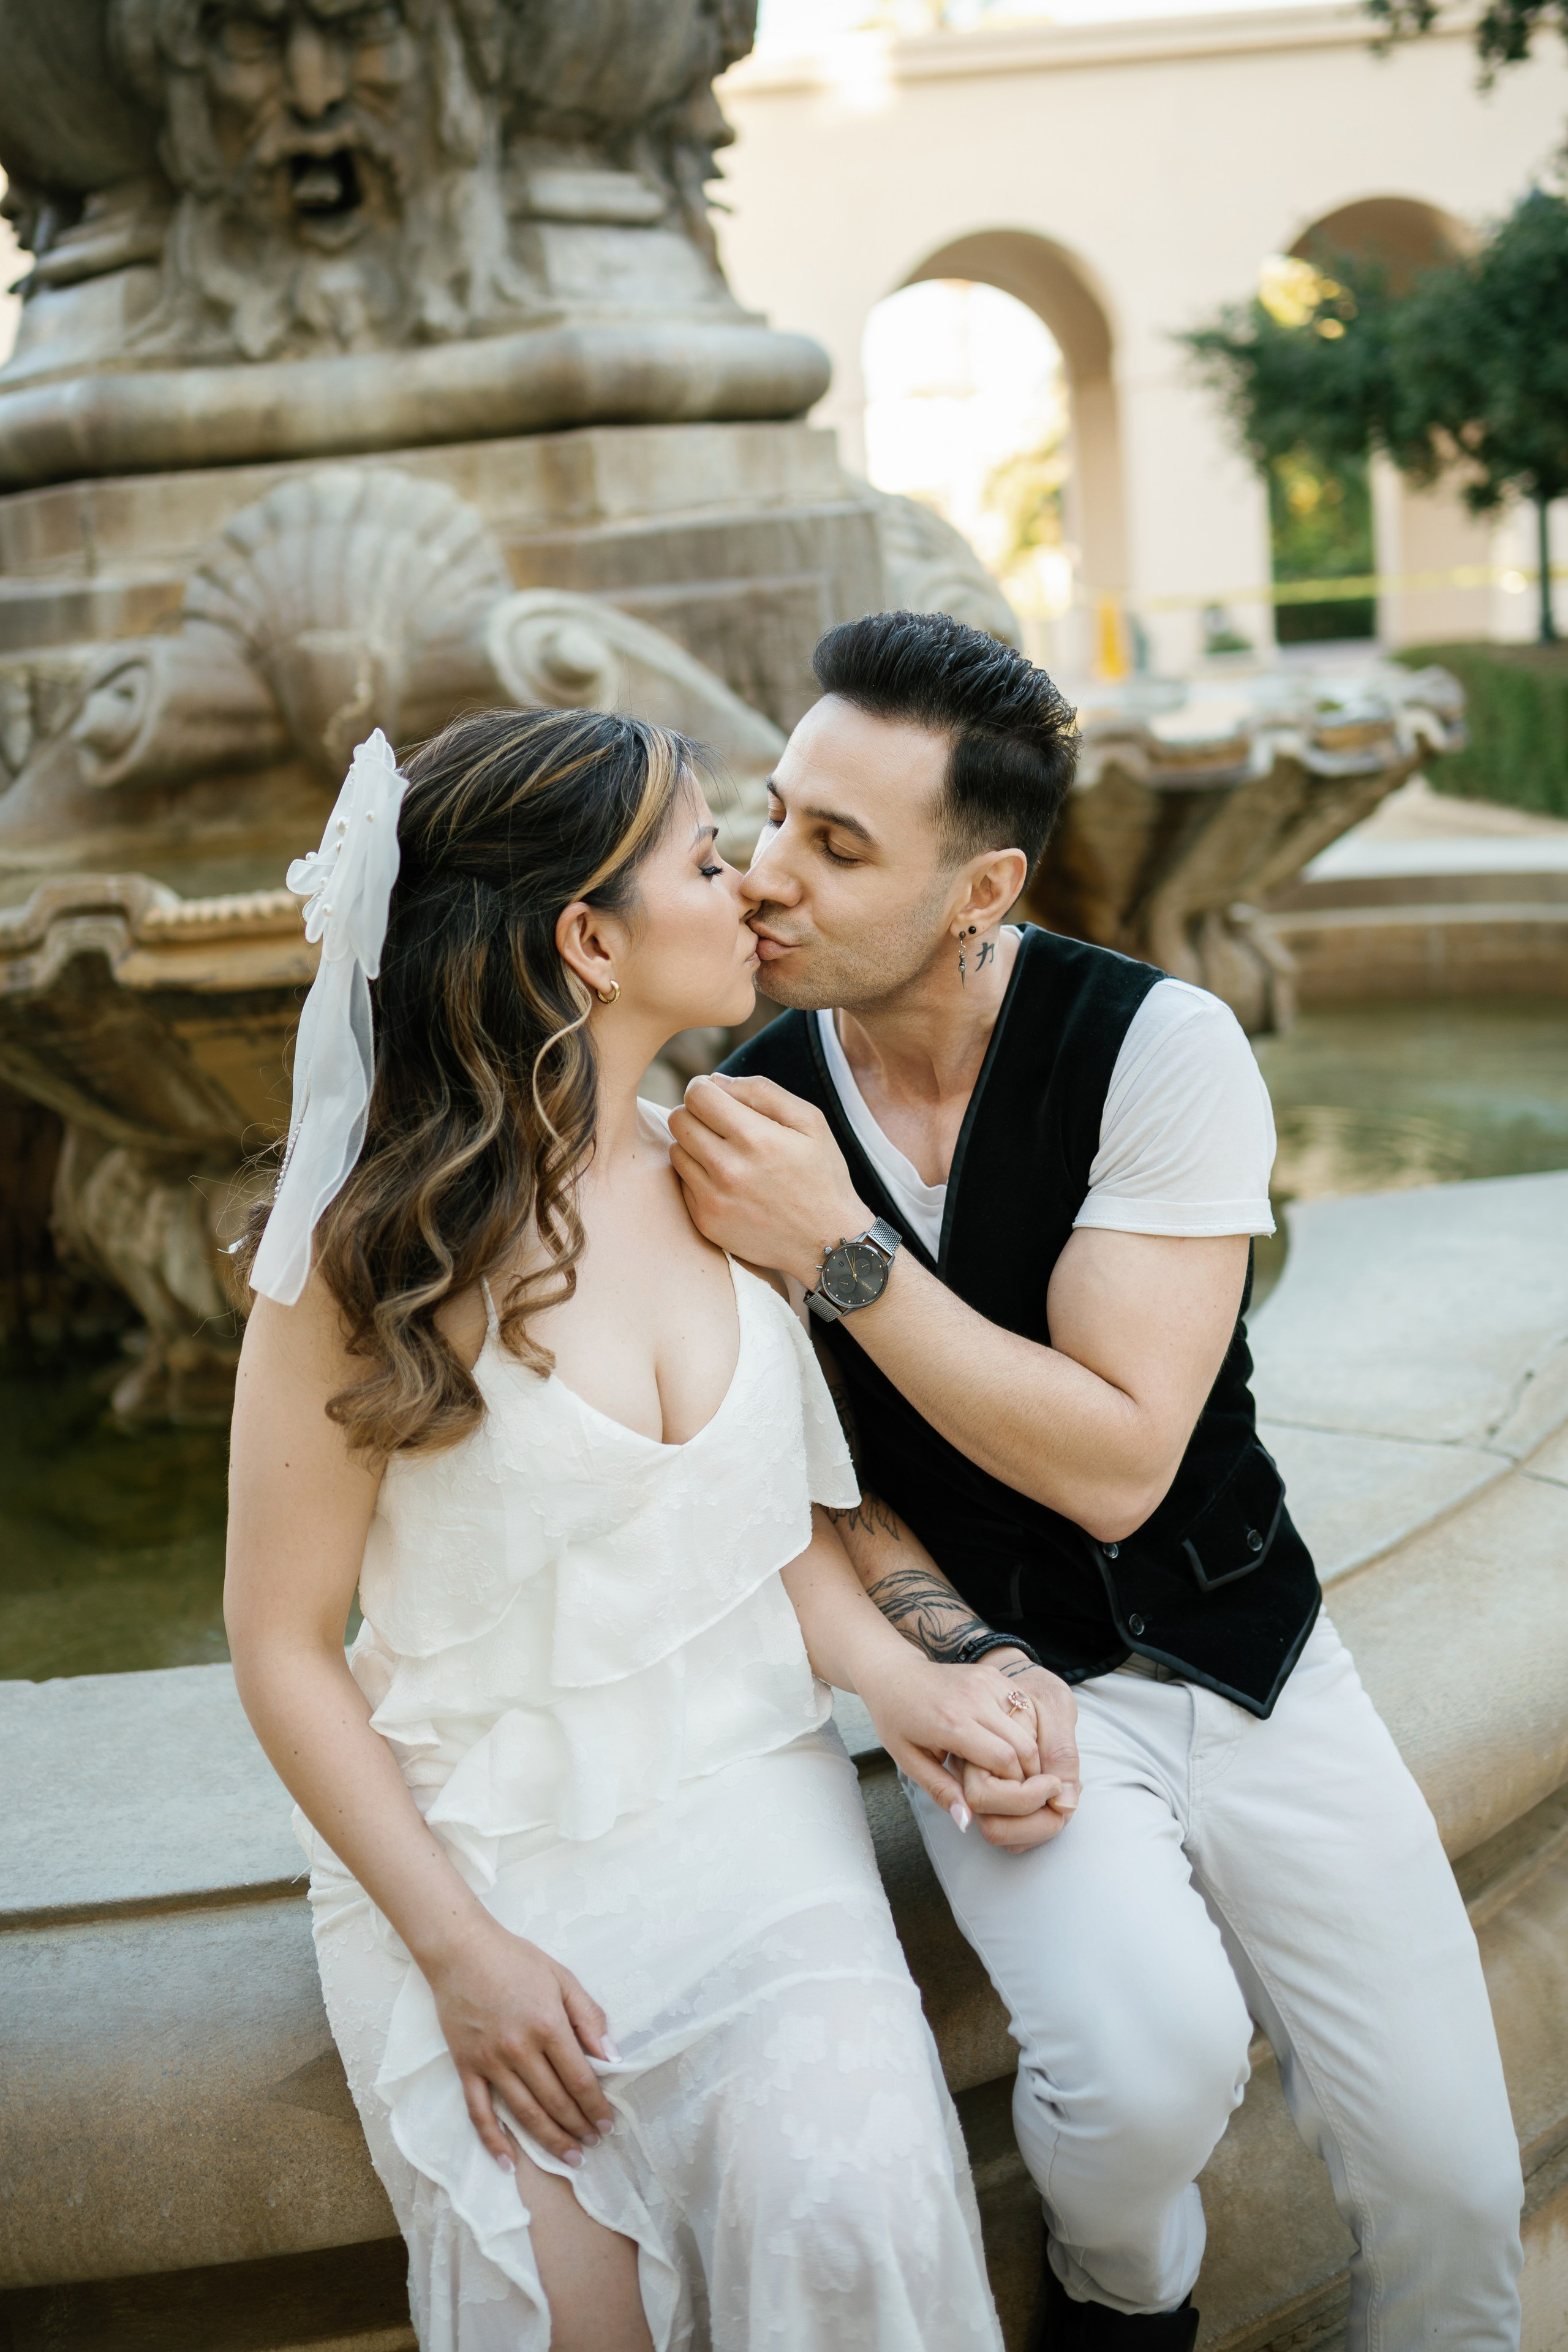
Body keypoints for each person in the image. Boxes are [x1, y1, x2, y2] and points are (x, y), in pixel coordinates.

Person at [668, 609, 1526, 2351]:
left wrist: (839, 1250)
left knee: (1456, 2188)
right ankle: (1118, 2304)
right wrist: (951, 1661)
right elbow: (813, 1484)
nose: (768, 876)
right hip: (1011, 1682)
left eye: (840, 846)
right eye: (774, 815)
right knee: (1142, 2086)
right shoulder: (747, 1113)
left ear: (980, 891)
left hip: (1256, 1658)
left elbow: (1125, 1462)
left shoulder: (1159, 1048)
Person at [224, 707, 1036, 2352]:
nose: (756, 893)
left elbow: (758, 1528)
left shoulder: (732, 1173)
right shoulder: (363, 1252)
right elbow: (279, 1643)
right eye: (712, 862)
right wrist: (460, 1953)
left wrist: (909, 1681)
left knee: (854, 2213)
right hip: (478, 1845)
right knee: (564, 2311)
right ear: (591, 942)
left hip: (744, 1806)